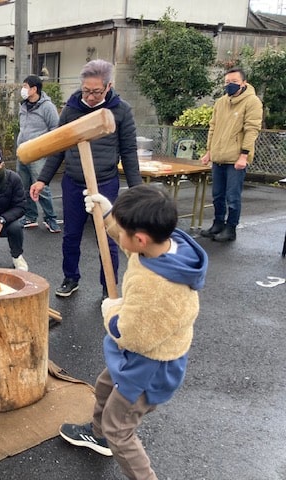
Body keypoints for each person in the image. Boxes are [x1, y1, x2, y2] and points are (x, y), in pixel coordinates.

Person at [60, 184, 208, 480]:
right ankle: (97, 435)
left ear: (140, 239)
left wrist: (111, 310)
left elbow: (132, 336)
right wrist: (109, 213)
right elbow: (128, 239)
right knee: (104, 385)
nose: (122, 240)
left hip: (149, 366)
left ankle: (126, 456)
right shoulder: (165, 245)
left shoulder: (158, 286)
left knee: (120, 429)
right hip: (139, 354)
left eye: (125, 232)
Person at [30, 59, 142, 298]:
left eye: (96, 92)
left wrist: (137, 190)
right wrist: (42, 180)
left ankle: (108, 286)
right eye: (86, 91)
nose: (90, 97)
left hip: (105, 183)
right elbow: (59, 147)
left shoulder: (121, 110)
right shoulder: (71, 109)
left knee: (108, 237)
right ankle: (71, 278)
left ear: (108, 86)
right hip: (73, 182)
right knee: (71, 235)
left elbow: (129, 152)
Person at [200, 67, 263, 242]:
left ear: (244, 83)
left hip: (236, 158)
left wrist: (244, 155)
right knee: (217, 194)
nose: (230, 85)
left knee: (232, 196)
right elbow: (213, 127)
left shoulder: (252, 102)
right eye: (227, 82)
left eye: (234, 82)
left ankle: (231, 228)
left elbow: (252, 129)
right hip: (219, 156)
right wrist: (209, 151)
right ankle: (218, 223)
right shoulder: (221, 102)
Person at [16, 74, 61, 233]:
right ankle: (30, 216)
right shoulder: (23, 105)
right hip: (22, 152)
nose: (23, 89)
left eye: (25, 87)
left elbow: (55, 129)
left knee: (41, 188)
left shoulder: (47, 107)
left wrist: (46, 148)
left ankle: (51, 218)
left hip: (39, 154)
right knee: (24, 186)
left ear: (34, 89)